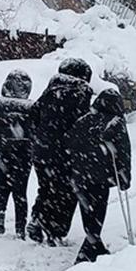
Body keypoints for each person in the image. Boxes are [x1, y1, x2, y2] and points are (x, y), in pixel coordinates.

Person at [27, 58, 94, 245]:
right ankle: (54, 232)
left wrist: (40, 138)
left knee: (47, 187)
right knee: (66, 192)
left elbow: (33, 115)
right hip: (65, 152)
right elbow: (82, 124)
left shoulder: (50, 90)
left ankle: (37, 219)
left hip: (42, 151)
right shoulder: (81, 91)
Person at [64, 88, 132, 263]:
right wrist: (124, 177)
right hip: (100, 176)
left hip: (79, 175)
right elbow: (123, 152)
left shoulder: (83, 120)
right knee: (99, 210)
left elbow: (70, 144)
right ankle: (85, 252)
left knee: (87, 210)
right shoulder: (116, 122)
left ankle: (96, 246)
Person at [0, 69, 34, 239]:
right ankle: (20, 228)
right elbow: (38, 130)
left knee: (2, 186)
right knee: (20, 191)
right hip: (23, 155)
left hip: (0, 153)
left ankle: (0, 216)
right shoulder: (30, 107)